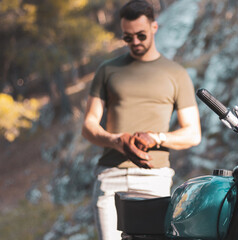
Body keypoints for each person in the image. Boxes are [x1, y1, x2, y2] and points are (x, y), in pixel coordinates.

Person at [81, 0, 201, 239]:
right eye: (127, 37)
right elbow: (88, 125)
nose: (135, 42)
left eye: (141, 35)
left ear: (155, 27)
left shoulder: (176, 74)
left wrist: (155, 138)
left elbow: (192, 133)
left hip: (153, 179)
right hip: (110, 177)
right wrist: (118, 140)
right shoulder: (107, 70)